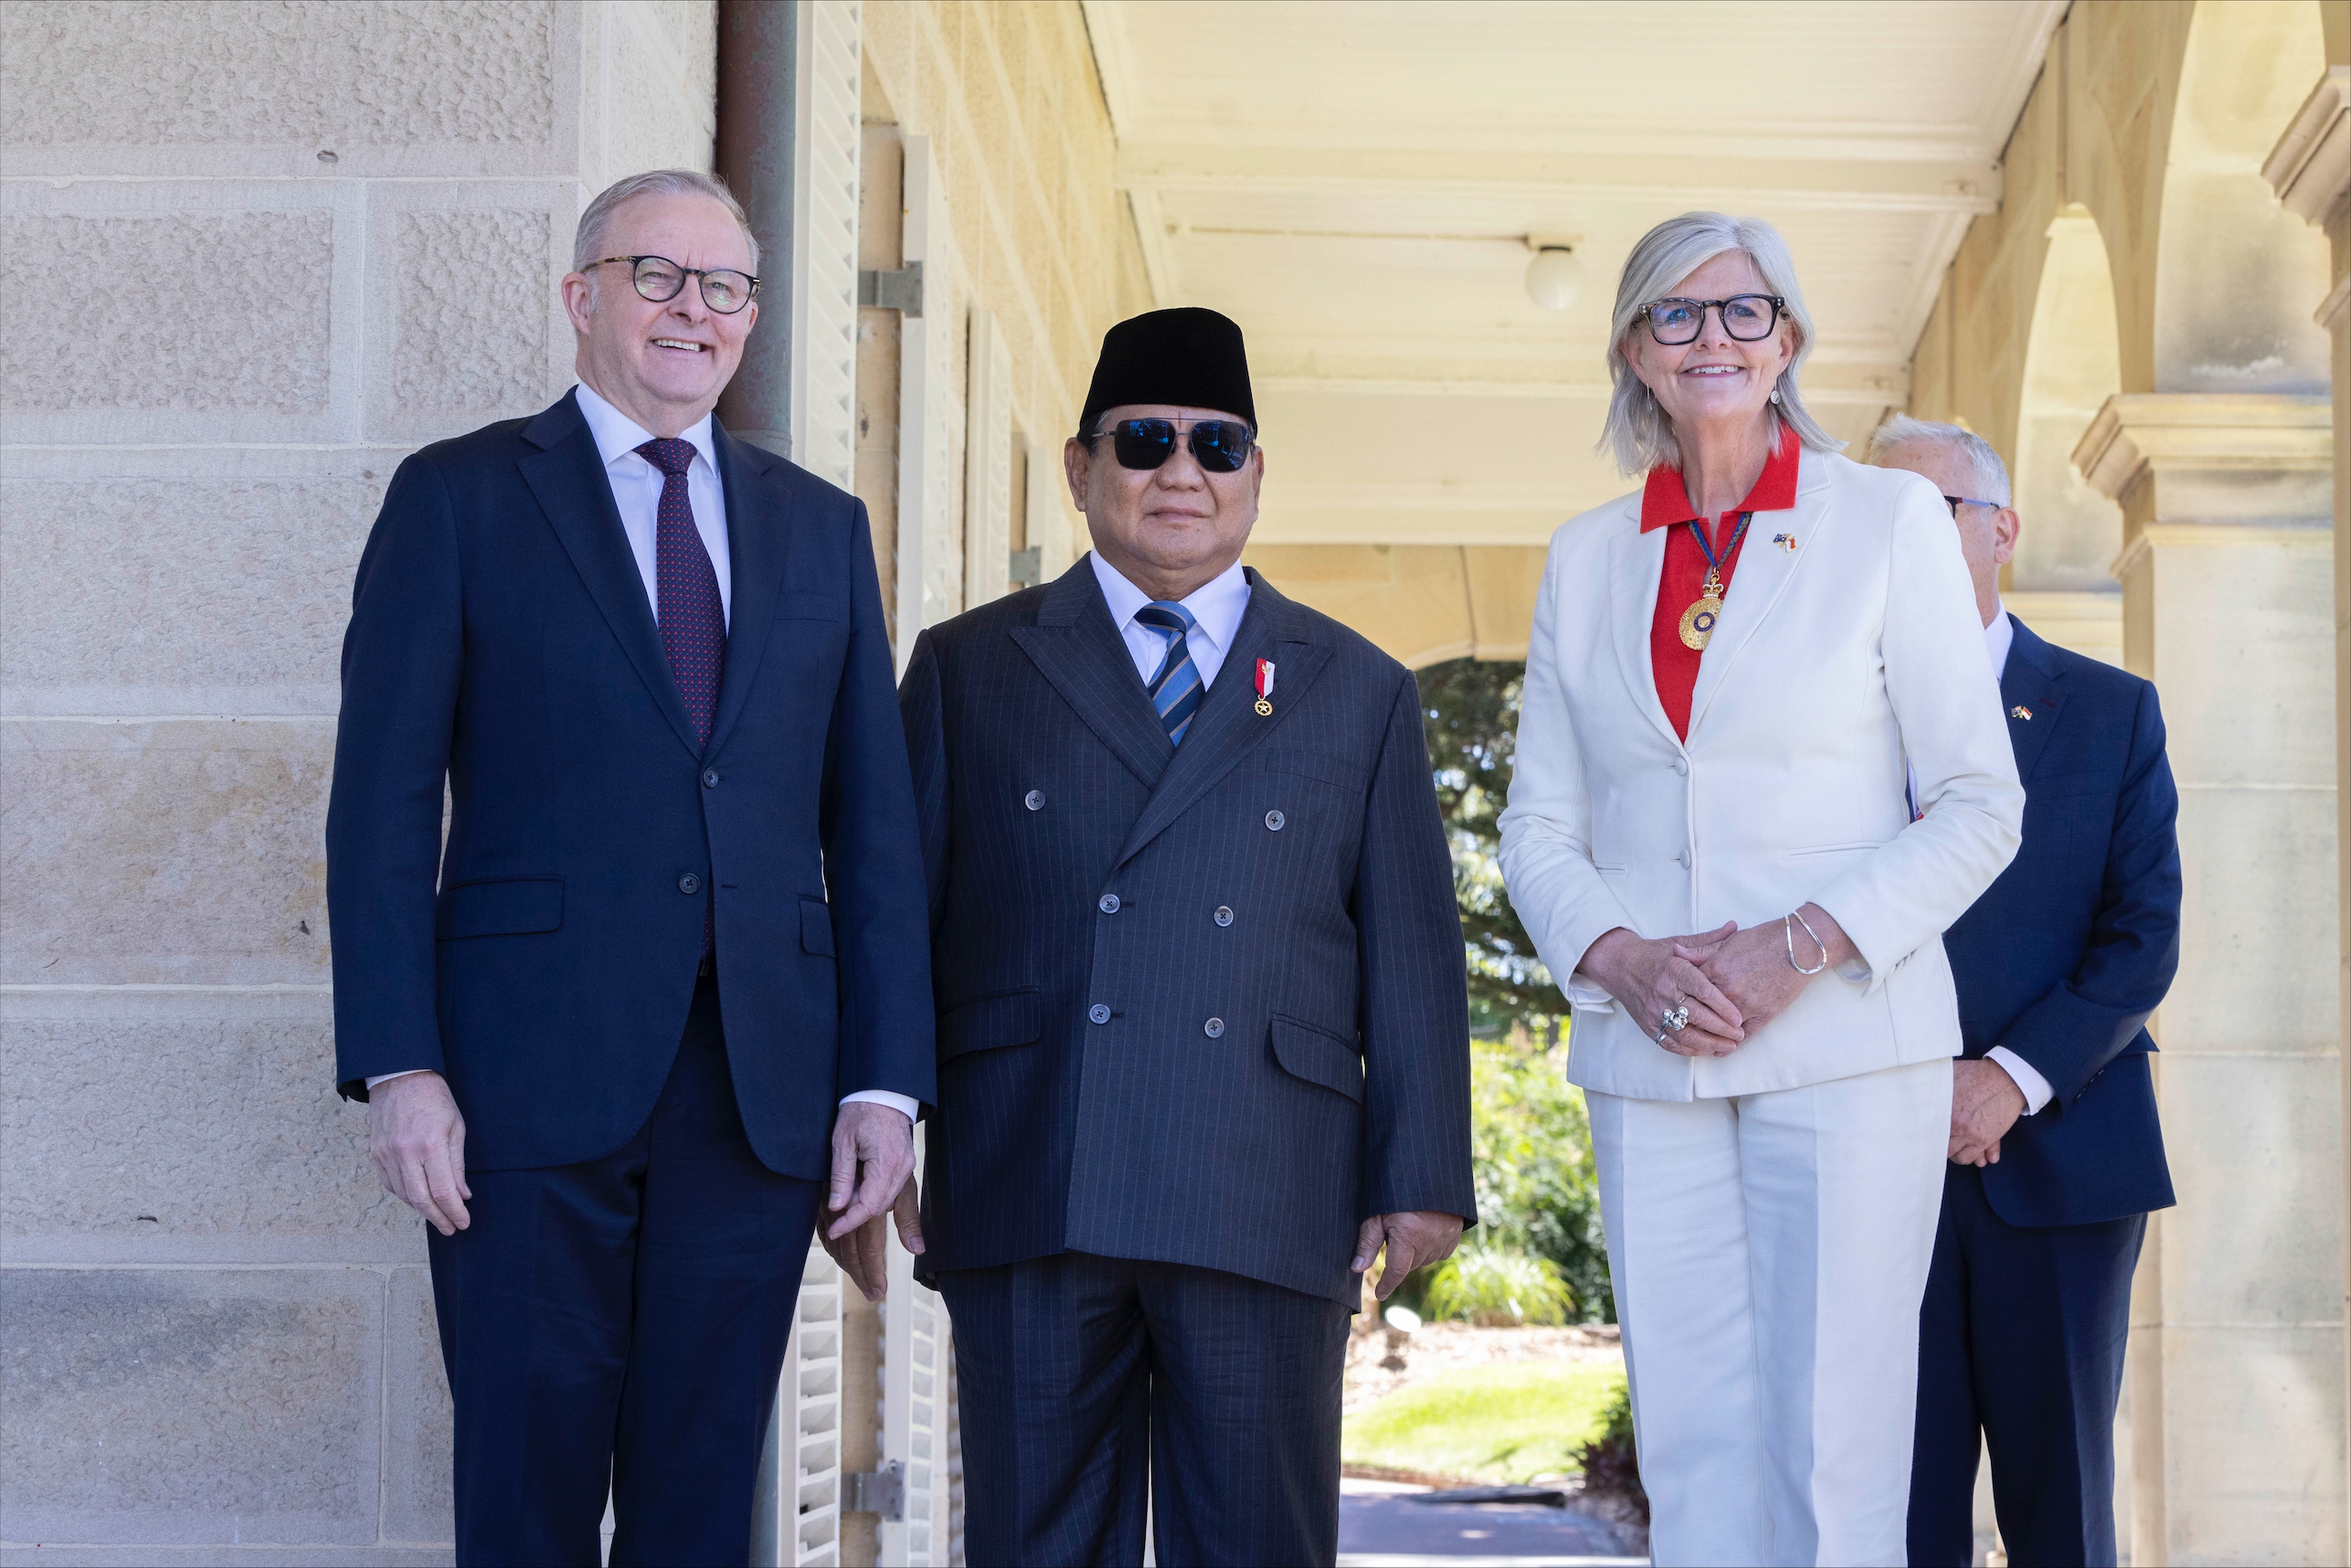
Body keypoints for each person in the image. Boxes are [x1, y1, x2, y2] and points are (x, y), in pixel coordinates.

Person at [325, 169, 933, 1566]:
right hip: (518, 1093)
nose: (692, 311)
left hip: (757, 1092)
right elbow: (381, 804)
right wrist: (399, 1066)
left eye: (724, 287)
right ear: (580, 295)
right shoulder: (461, 498)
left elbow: (875, 826)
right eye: (657, 275)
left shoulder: (821, 529)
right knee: (524, 1500)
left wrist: (883, 1082)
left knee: (703, 1503)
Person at [897, 306, 1477, 1567]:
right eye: (1144, 438)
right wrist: (887, 1109)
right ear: (1081, 467)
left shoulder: (1356, 685)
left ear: (1255, 476)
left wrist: (1420, 1167)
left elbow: (1411, 946)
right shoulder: (966, 669)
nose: (1180, 471)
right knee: (1036, 1543)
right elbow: (899, 918)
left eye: (1217, 446)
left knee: (1257, 1546)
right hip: (1033, 1160)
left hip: (1265, 1175)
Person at [1496, 213, 2026, 1567]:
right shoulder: (1585, 555)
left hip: (1844, 1045)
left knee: (1832, 1446)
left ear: (1787, 339)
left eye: (1743, 311)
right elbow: (1539, 826)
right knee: (1692, 1439)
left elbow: (1980, 805)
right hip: (1648, 1050)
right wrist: (1619, 959)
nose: (1713, 337)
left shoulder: (1890, 521)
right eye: (1676, 314)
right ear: (1634, 350)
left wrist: (1795, 946)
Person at [1869, 417, 2180, 1568]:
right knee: (1888, 1515)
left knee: (2062, 1512)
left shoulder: (2108, 712)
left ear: (1999, 529)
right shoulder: (1824, 723)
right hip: (1867, 1163)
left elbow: (2141, 937)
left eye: (1924, 515)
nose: (1892, 543)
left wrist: (2004, 1081)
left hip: (2062, 1162)